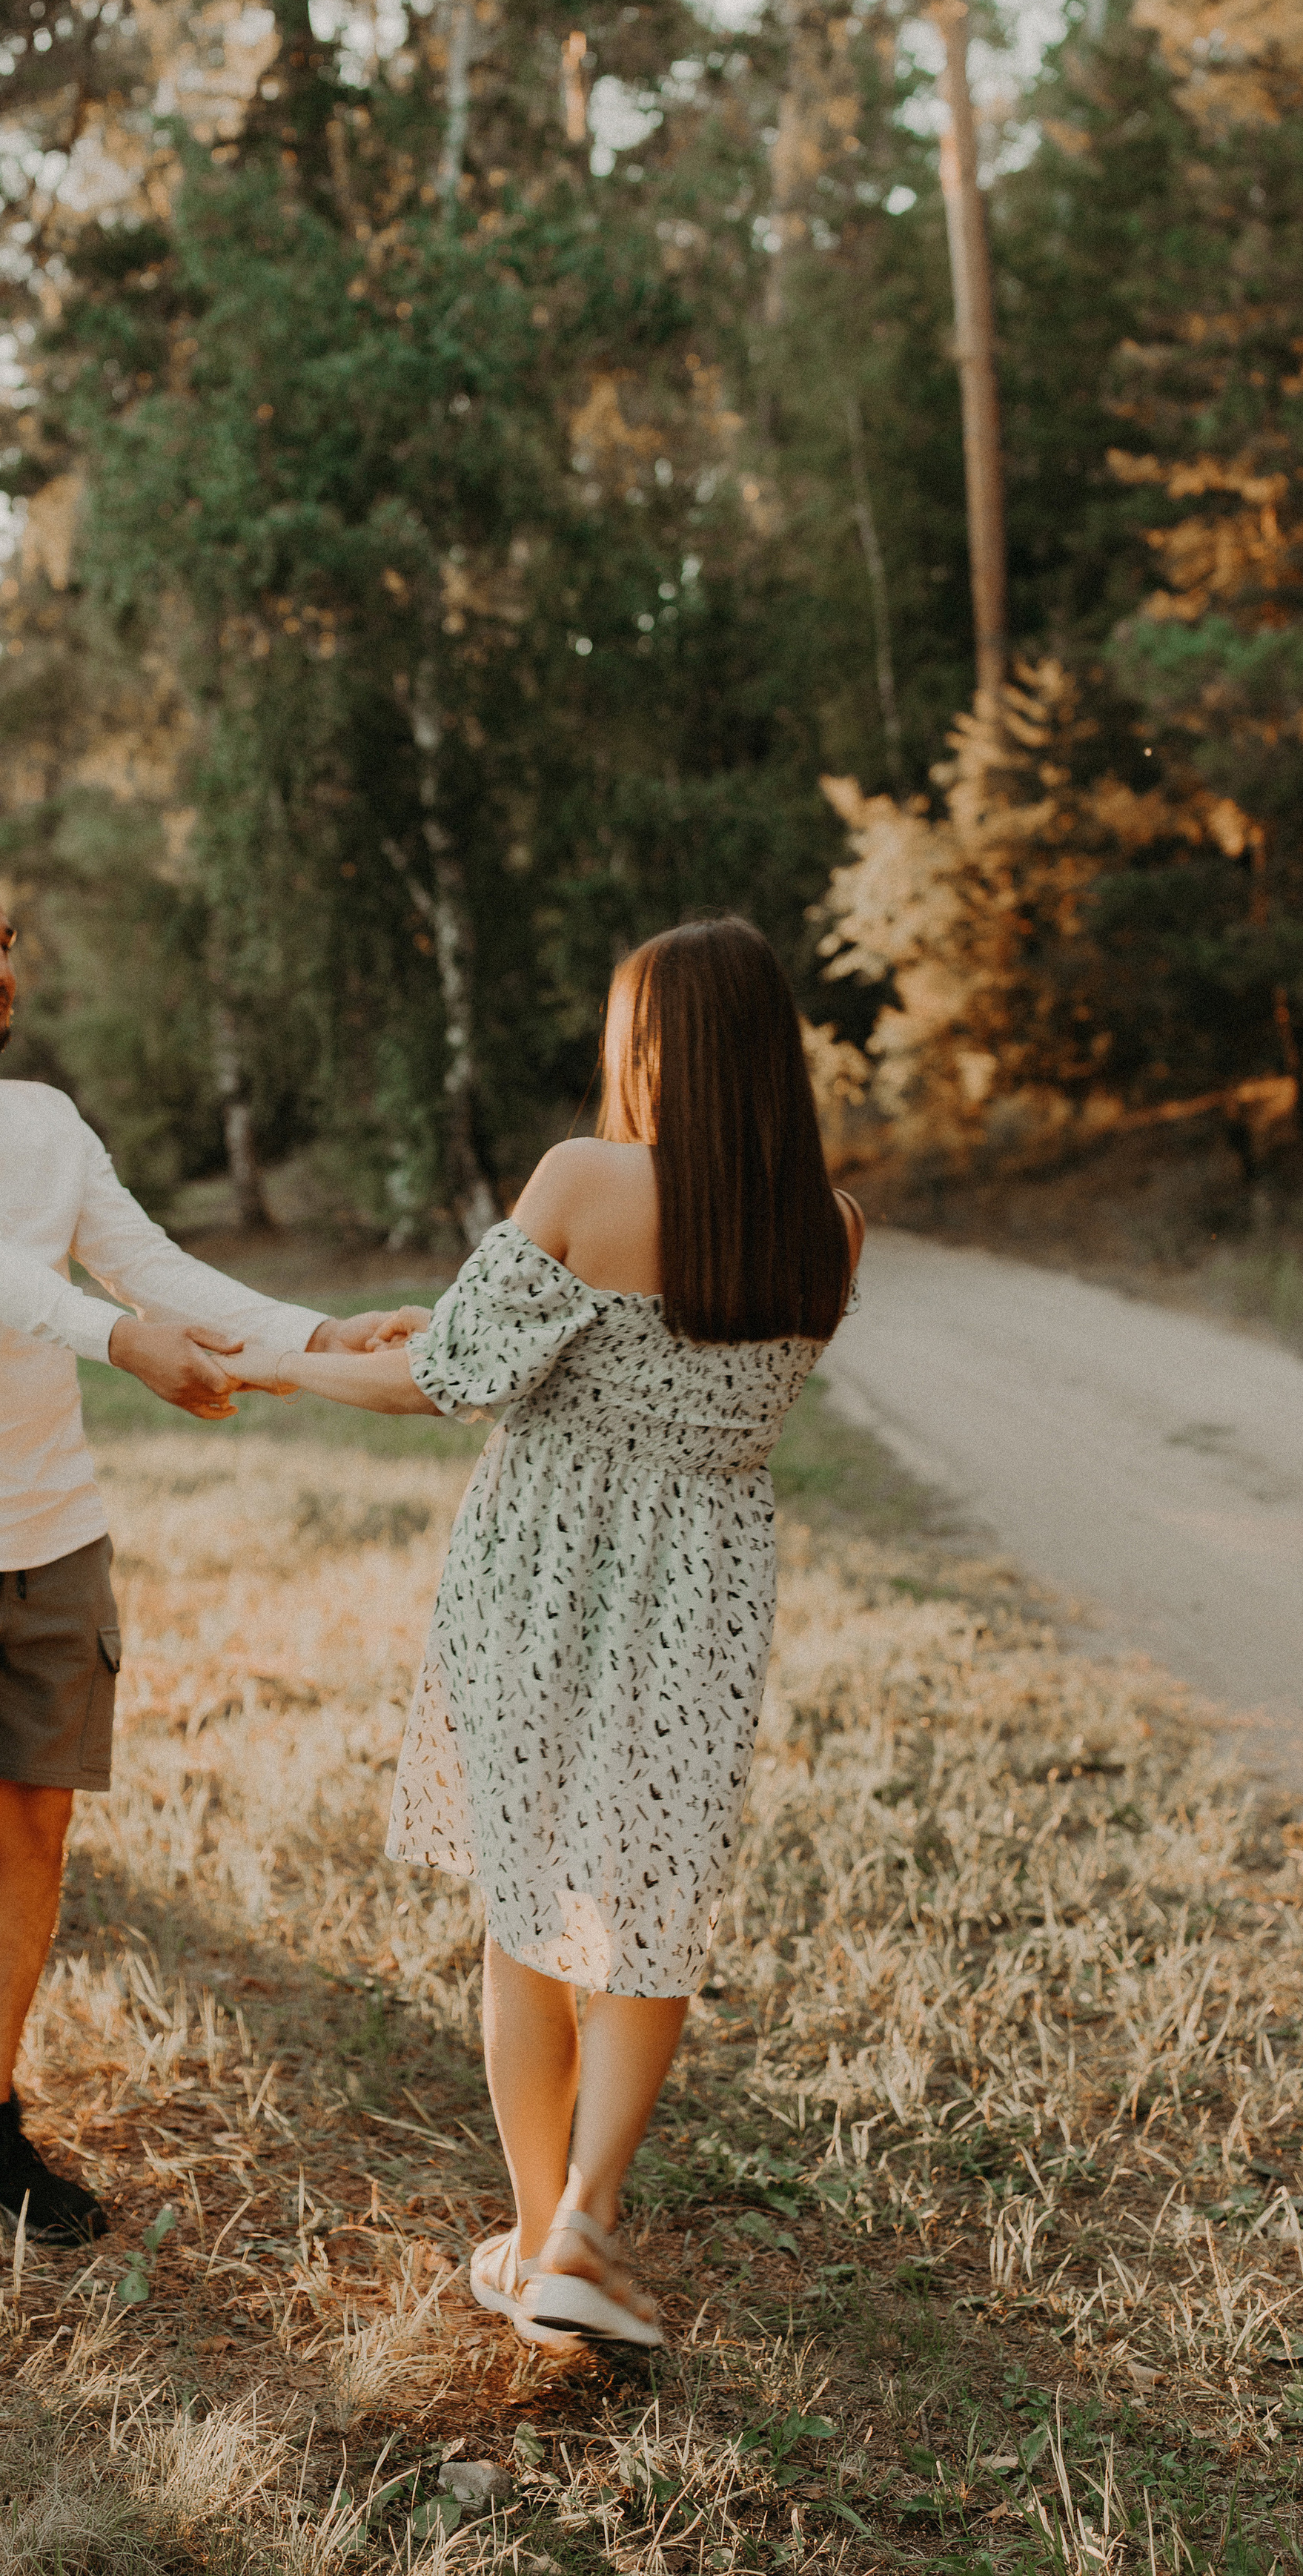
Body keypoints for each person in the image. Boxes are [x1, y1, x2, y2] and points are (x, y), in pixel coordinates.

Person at [232, 915, 862, 2348]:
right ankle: (587, 2220)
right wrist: (447, 1317)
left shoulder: (584, 1178)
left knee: (526, 1917)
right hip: (704, 1595)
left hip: (542, 1580)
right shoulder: (828, 1227)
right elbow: (641, 1362)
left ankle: (529, 2244)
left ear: (652, 1043)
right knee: (649, 1913)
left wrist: (282, 1361)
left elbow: (447, 1381)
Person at [0, 854, 413, 2243]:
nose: (1, 965)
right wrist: (120, 1342)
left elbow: (152, 1264)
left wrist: (311, 1333)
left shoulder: (50, 1122)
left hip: (52, 1526)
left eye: (8, 939)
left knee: (34, 1824)